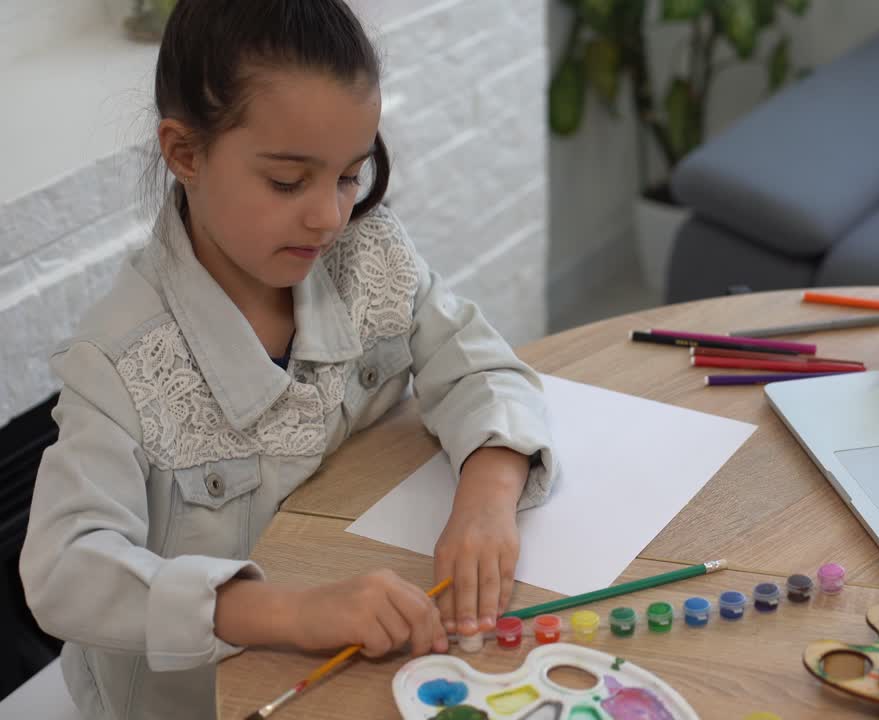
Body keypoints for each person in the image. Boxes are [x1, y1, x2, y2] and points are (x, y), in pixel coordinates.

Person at [18, 1, 559, 718]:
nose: (330, 218)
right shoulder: (120, 362)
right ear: (184, 154)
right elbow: (65, 570)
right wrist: (287, 613)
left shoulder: (368, 254)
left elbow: (481, 366)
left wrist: (488, 497)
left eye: (348, 176)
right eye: (286, 182)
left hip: (370, 666)